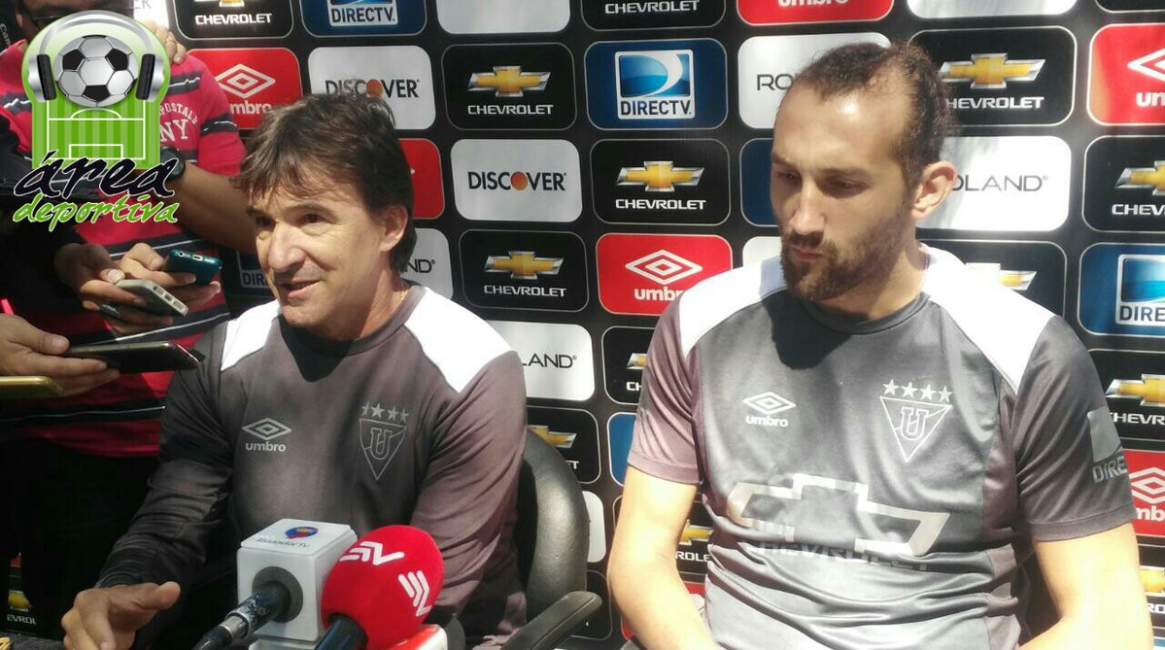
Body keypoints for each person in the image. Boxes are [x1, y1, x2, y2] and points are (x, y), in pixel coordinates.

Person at [608, 42, 1151, 650]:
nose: (802, 218)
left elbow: (1112, 623)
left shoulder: (1027, 353)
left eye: (841, 185)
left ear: (927, 190)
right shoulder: (701, 321)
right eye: (787, 176)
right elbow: (639, 558)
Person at [60, 93, 528, 650]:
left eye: (312, 219)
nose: (279, 256)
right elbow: (173, 522)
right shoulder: (222, 357)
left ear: (389, 227)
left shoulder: (471, 368)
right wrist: (120, 592)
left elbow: (427, 593)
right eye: (264, 223)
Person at [0, 0, 253, 637]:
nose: (81, 27)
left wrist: (138, 147)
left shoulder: (182, 73)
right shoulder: (2, 90)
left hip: (201, 432)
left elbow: (253, 225)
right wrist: (65, 263)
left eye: (101, 8)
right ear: (21, 17)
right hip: (62, 446)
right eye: (53, 15)